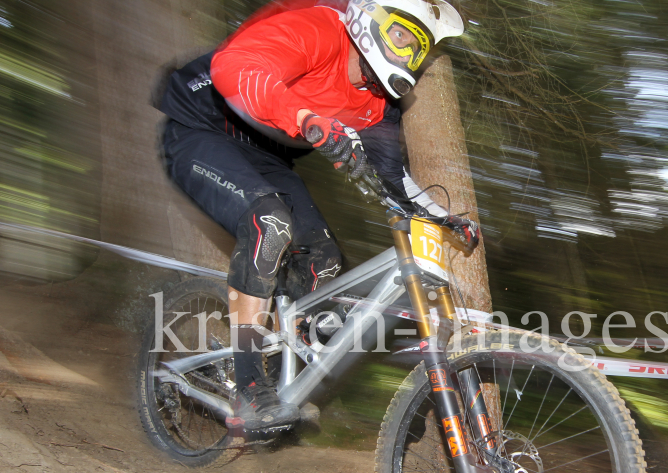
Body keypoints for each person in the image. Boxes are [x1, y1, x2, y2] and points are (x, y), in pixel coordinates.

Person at [156, 0, 470, 436]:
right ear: (370, 19)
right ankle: (249, 384)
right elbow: (236, 66)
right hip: (200, 131)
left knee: (323, 259)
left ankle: (280, 375)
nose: (406, 55)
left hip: (265, 155)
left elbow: (392, 179)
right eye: (400, 36)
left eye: (417, 49)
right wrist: (307, 119)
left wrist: (443, 217)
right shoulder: (322, 29)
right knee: (270, 224)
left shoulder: (379, 105)